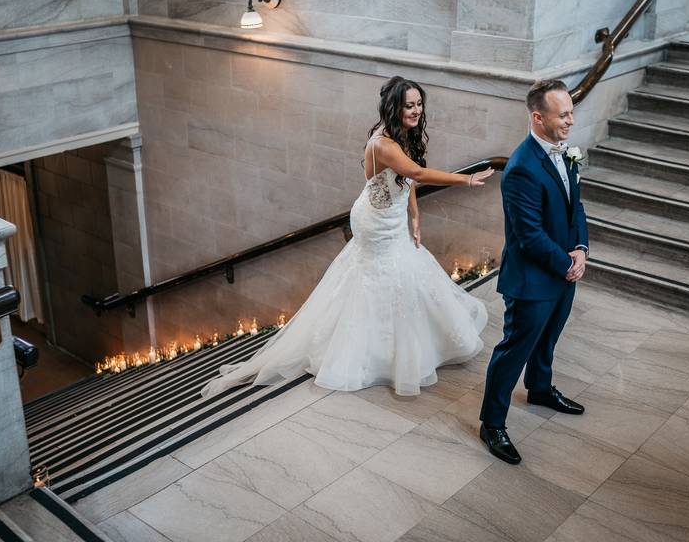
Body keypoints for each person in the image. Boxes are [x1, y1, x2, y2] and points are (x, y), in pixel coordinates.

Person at [201, 76, 495, 398]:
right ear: (393, 107)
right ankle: (372, 349)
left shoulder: (404, 135)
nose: (415, 111)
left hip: (392, 213)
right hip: (375, 221)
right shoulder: (382, 143)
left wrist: (414, 214)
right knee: (380, 273)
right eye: (408, 105)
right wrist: (465, 180)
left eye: (419, 104)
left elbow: (408, 181)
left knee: (405, 266)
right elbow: (418, 173)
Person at [478, 78, 589, 465]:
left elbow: (576, 207)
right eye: (564, 114)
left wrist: (580, 249)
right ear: (538, 118)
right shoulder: (522, 167)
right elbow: (528, 236)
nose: (571, 121)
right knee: (514, 350)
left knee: (548, 339)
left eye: (572, 112)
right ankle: (492, 423)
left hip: (563, 270)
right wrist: (566, 264)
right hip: (533, 279)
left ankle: (540, 388)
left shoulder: (565, 153)